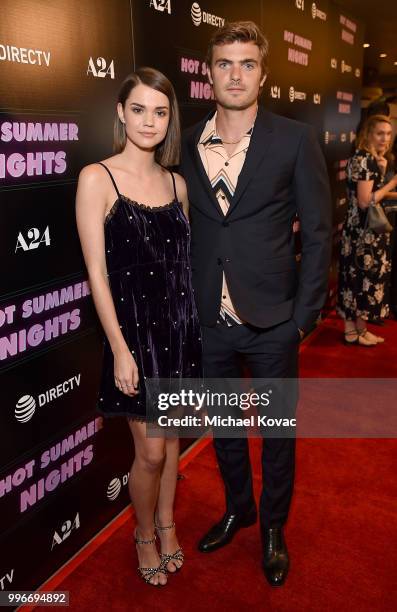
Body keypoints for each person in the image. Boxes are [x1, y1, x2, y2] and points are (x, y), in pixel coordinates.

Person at [180, 21, 332, 586]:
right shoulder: (188, 143)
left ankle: (273, 527)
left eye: (247, 64)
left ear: (263, 75)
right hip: (209, 320)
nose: (236, 74)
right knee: (223, 427)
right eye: (225, 64)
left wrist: (303, 319)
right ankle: (238, 508)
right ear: (209, 74)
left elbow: (319, 233)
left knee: (276, 433)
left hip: (274, 321)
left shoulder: (293, 139)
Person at [76, 68, 201, 586]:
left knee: (171, 442)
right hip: (134, 338)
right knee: (149, 449)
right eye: (139, 109)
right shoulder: (96, 178)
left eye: (161, 111)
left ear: (170, 119)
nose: (149, 121)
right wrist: (120, 348)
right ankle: (144, 533)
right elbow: (97, 274)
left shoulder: (177, 183)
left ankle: (168, 524)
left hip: (179, 330)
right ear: (120, 114)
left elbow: (184, 265)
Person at [337, 114, 397, 345]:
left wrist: (388, 187)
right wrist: (392, 183)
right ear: (368, 134)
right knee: (357, 280)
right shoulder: (364, 159)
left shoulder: (372, 159)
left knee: (363, 280)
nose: (385, 138)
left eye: (389, 133)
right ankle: (351, 331)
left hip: (367, 232)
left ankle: (359, 330)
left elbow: (372, 194)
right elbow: (365, 201)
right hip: (362, 234)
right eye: (380, 133)